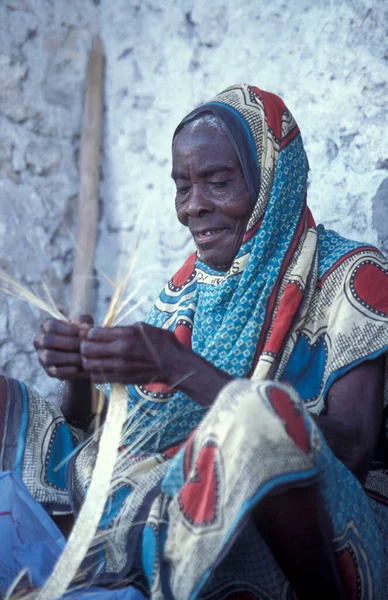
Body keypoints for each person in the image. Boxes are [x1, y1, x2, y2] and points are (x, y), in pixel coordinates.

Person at [1, 84, 388, 600]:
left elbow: (355, 447)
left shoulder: (352, 275)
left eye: (218, 182)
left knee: (256, 417)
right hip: (165, 488)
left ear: (273, 177)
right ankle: (98, 553)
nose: (192, 208)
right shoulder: (188, 289)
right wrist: (78, 370)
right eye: (182, 186)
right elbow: (102, 428)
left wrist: (176, 363)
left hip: (316, 522)